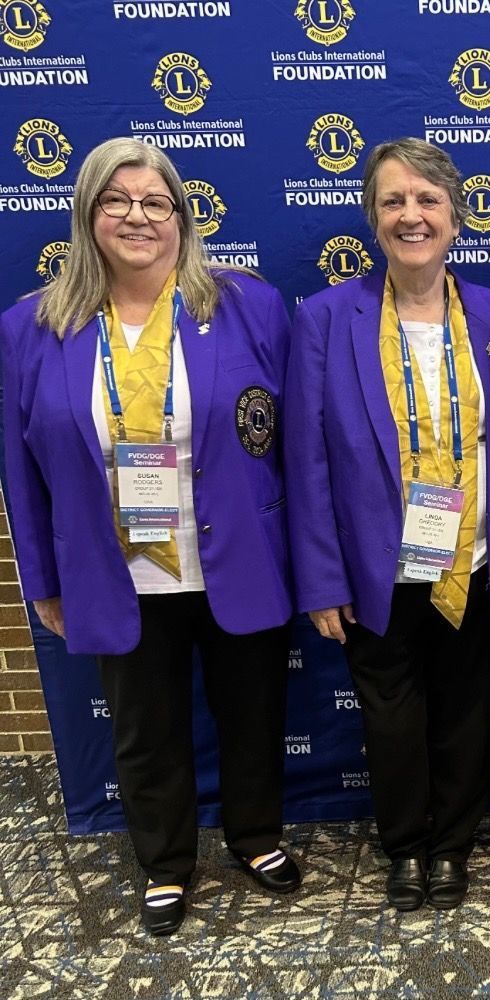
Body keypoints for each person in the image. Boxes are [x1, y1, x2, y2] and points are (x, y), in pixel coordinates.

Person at [0, 138, 300, 937]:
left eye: (155, 201)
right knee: (144, 728)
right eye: (116, 200)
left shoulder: (247, 306)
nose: (137, 216)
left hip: (236, 556)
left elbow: (298, 445)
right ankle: (164, 863)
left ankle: (257, 837)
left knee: (253, 712)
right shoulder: (30, 329)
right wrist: (42, 582)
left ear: (180, 216)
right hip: (113, 570)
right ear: (88, 214)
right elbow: (20, 474)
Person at [285, 138, 490, 913]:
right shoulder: (324, 318)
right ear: (371, 217)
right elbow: (307, 459)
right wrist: (320, 579)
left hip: (476, 565)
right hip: (374, 574)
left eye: (427, 201)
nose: (410, 216)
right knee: (391, 725)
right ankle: (404, 848)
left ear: (456, 218)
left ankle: (450, 847)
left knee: (465, 715)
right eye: (393, 201)